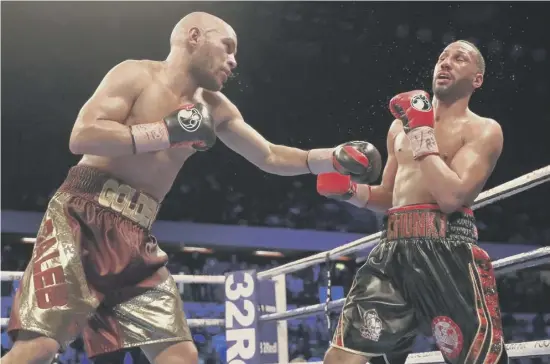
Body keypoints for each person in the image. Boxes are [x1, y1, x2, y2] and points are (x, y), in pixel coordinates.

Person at [3, 11, 383, 364]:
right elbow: (83, 136)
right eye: (227, 47)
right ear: (194, 37)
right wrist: (165, 132)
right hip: (81, 214)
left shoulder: (216, 109)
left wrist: (331, 157)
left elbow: (268, 155)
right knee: (38, 348)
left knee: (180, 357)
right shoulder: (135, 74)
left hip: (136, 235)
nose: (233, 61)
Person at [317, 40, 507, 364]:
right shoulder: (398, 127)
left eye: (458, 59)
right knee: (341, 356)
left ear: (477, 79)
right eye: (442, 57)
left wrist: (421, 131)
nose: (445, 63)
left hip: (447, 251)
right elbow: (390, 196)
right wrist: (350, 191)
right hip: (392, 252)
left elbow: (451, 198)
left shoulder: (484, 130)